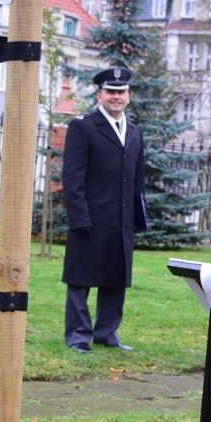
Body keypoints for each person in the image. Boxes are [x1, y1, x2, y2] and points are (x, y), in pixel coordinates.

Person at [61, 66, 147, 353]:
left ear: (129, 96)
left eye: (121, 92)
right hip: (90, 218)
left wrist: (138, 217)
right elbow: (73, 179)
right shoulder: (83, 127)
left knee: (115, 279)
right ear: (99, 94)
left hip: (121, 221)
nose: (116, 97)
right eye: (110, 91)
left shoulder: (134, 132)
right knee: (80, 279)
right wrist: (79, 218)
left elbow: (138, 179)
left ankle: (107, 333)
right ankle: (77, 336)